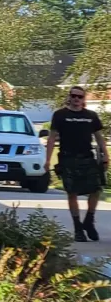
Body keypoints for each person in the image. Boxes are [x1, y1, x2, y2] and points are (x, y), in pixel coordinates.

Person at [44, 86, 108, 243]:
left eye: (80, 97)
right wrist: (47, 160)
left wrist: (106, 155)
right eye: (74, 96)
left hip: (87, 158)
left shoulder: (91, 116)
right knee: (71, 193)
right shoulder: (60, 115)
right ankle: (78, 228)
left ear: (84, 99)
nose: (76, 99)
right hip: (67, 159)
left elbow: (99, 138)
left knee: (96, 189)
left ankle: (89, 221)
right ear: (69, 97)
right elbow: (52, 139)